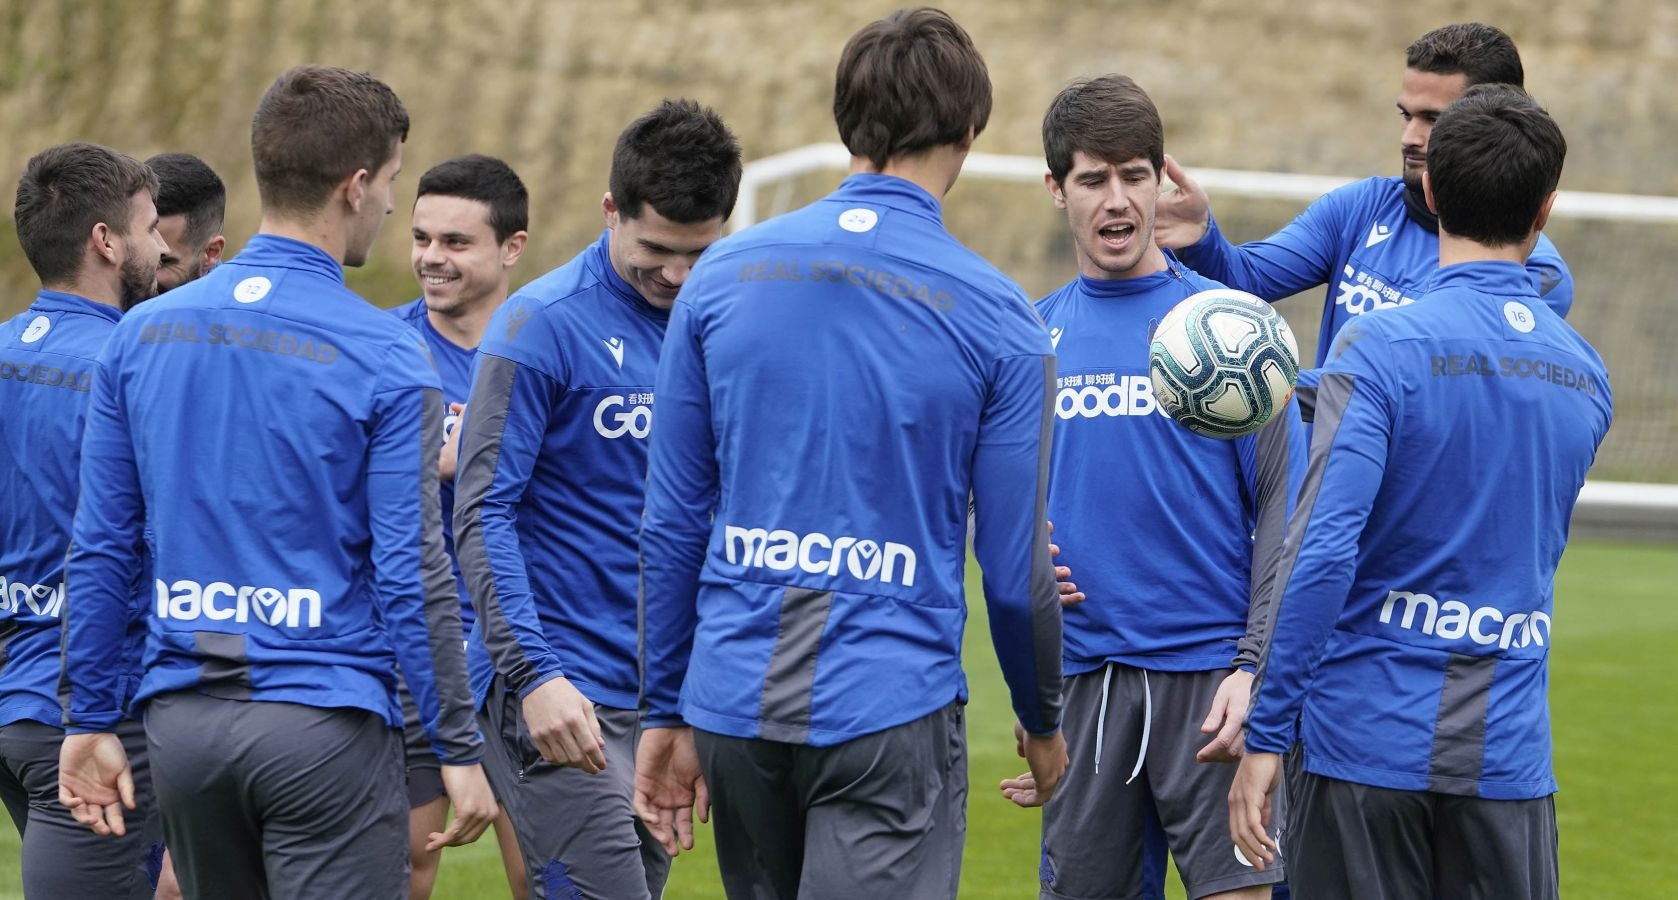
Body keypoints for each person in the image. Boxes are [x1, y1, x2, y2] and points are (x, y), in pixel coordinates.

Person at [633, 9, 1068, 899]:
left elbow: (672, 519)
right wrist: (1042, 716)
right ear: (969, 132)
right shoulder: (1002, 317)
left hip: (732, 701)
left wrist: (664, 708)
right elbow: (1018, 571)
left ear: (844, 120)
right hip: (888, 708)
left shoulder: (718, 276)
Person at [57, 65, 497, 899]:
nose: (393, 207)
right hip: (322, 725)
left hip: (182, 724)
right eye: (395, 183)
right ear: (356, 185)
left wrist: (89, 717)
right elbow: (414, 568)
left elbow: (103, 546)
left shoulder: (142, 334)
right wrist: (457, 746)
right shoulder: (387, 353)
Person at [1229, 84, 1611, 900]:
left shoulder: (1381, 349)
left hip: (1363, 748)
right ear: (1545, 212)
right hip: (1507, 758)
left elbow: (1324, 547)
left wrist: (1267, 732)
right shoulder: (1587, 377)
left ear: (1431, 192)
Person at [1008, 74, 1301, 900]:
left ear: (1162, 178)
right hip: (1086, 685)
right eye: (1094, 178)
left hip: (1211, 687)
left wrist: (1254, 669)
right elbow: (991, 510)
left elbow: (1285, 506)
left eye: (1135, 175)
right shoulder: (1029, 338)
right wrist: (1033, 670)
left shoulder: (1231, 326)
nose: (1117, 200)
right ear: (1056, 189)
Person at [451, 100, 741, 900]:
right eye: (655, 249)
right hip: (557, 690)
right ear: (610, 210)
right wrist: (534, 674)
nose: (676, 275)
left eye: (698, 252)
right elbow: (481, 511)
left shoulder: (720, 326)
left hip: (665, 702)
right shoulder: (539, 325)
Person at [1155, 22, 1573, 411]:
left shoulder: (1534, 272)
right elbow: (1244, 280)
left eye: (1433, 120)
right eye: (1406, 115)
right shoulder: (1363, 206)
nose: (1409, 138)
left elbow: (1420, 387)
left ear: (1491, 115)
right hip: (1323, 482)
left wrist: (1260, 387)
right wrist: (1200, 237)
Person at [0, 142, 166, 899]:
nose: (164, 248)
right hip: (91, 711)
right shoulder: (130, 364)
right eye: (152, 226)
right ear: (107, 241)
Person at [389, 154, 530, 900]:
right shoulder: (380, 347)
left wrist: (465, 456)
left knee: (545, 878)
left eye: (455, 242)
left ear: (512, 248)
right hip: (412, 648)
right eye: (421, 238)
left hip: (524, 649)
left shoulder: (547, 345)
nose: (430, 259)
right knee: (403, 871)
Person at [145, 153, 226, 294]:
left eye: (161, 262)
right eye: (134, 254)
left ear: (211, 252)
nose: (140, 276)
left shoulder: (234, 313)